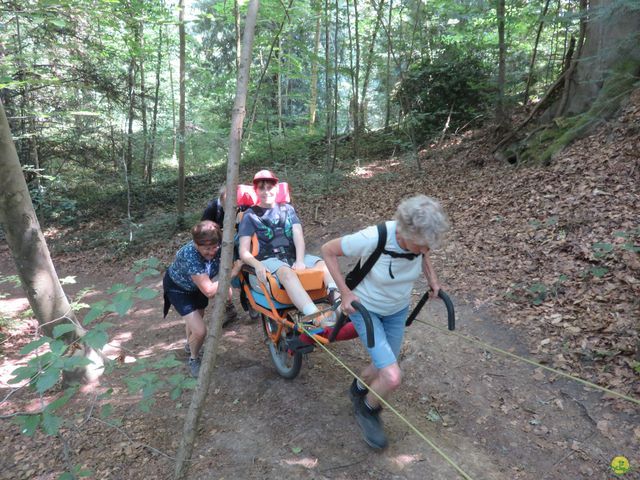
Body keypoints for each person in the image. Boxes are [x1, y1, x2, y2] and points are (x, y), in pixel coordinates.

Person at [321, 195, 450, 450]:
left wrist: (433, 280)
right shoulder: (374, 237)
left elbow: (423, 255)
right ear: (404, 233)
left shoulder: (420, 245)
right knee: (391, 376)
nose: (426, 250)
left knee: (381, 366)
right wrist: (345, 292)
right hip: (365, 311)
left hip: (397, 311)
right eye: (422, 244)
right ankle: (368, 410)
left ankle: (358, 390)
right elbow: (328, 250)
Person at [238, 170, 339, 327]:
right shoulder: (250, 215)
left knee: (324, 265)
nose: (266, 192)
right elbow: (243, 251)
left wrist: (299, 260)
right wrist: (257, 264)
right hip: (268, 259)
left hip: (292, 255)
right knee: (286, 272)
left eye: (269, 187)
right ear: (256, 190)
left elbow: (298, 236)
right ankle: (315, 316)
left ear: (277, 188)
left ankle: (340, 305)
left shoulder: (287, 209)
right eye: (261, 188)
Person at [163, 220, 242, 377]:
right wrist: (233, 272)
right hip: (179, 289)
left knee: (198, 317)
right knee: (200, 331)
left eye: (214, 247)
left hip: (197, 286)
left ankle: (189, 346)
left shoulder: (221, 246)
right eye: (206, 249)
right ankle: (193, 358)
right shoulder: (190, 255)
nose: (212, 252)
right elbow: (209, 291)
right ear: (196, 244)